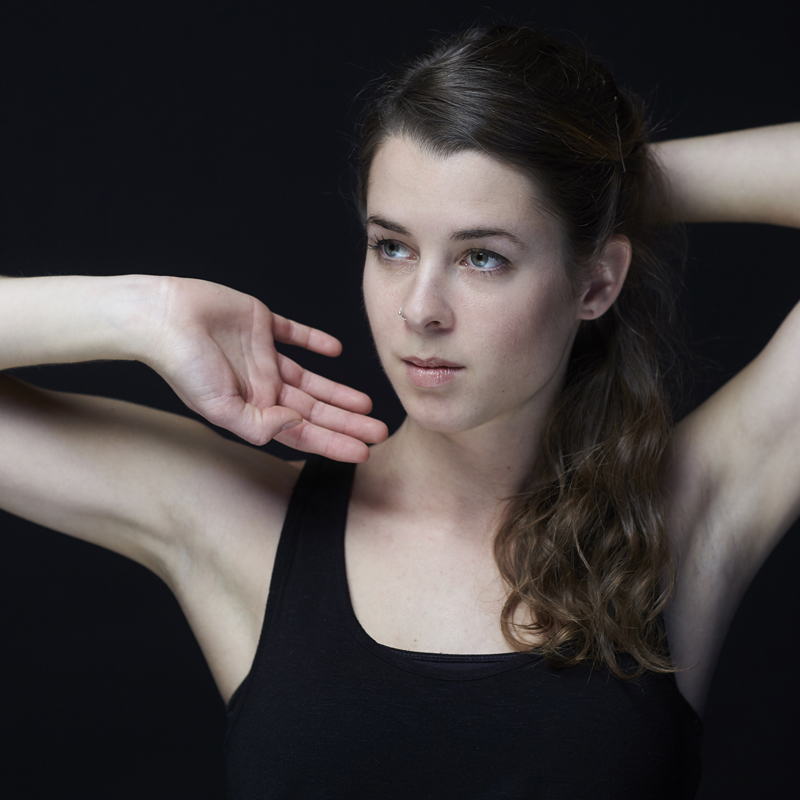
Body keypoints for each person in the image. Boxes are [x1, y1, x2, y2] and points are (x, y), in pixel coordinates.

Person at [0, 24, 797, 798]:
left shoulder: (685, 512)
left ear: (596, 283)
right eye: (393, 246)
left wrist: (606, 179)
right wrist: (141, 313)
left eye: (482, 256)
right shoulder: (248, 523)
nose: (420, 309)